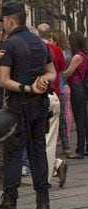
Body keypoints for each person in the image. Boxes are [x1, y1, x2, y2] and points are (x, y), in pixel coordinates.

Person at [0, 1, 56, 209]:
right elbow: (52, 73)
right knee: (38, 151)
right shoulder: (40, 43)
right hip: (40, 105)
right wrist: (42, 82)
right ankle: (43, 202)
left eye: (3, 22)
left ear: (10, 21)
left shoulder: (10, 45)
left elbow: (4, 80)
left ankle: (9, 204)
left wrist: (27, 87)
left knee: (13, 154)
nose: (3, 26)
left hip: (19, 105)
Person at [37, 23, 68, 188]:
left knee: (38, 138)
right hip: (53, 92)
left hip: (36, 94)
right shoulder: (56, 50)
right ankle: (55, 165)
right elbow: (62, 69)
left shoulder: (32, 47)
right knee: (47, 138)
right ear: (50, 35)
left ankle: (48, 174)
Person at [63, 31, 88, 159]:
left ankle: (79, 150)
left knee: (80, 119)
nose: (68, 43)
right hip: (81, 87)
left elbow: (68, 73)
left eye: (69, 41)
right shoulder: (84, 54)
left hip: (77, 87)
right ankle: (85, 147)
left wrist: (59, 73)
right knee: (84, 118)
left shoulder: (77, 56)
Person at [52, 29, 72, 156]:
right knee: (64, 114)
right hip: (64, 86)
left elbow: (63, 70)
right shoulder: (67, 52)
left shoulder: (58, 51)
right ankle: (65, 142)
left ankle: (60, 140)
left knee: (61, 115)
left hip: (59, 86)